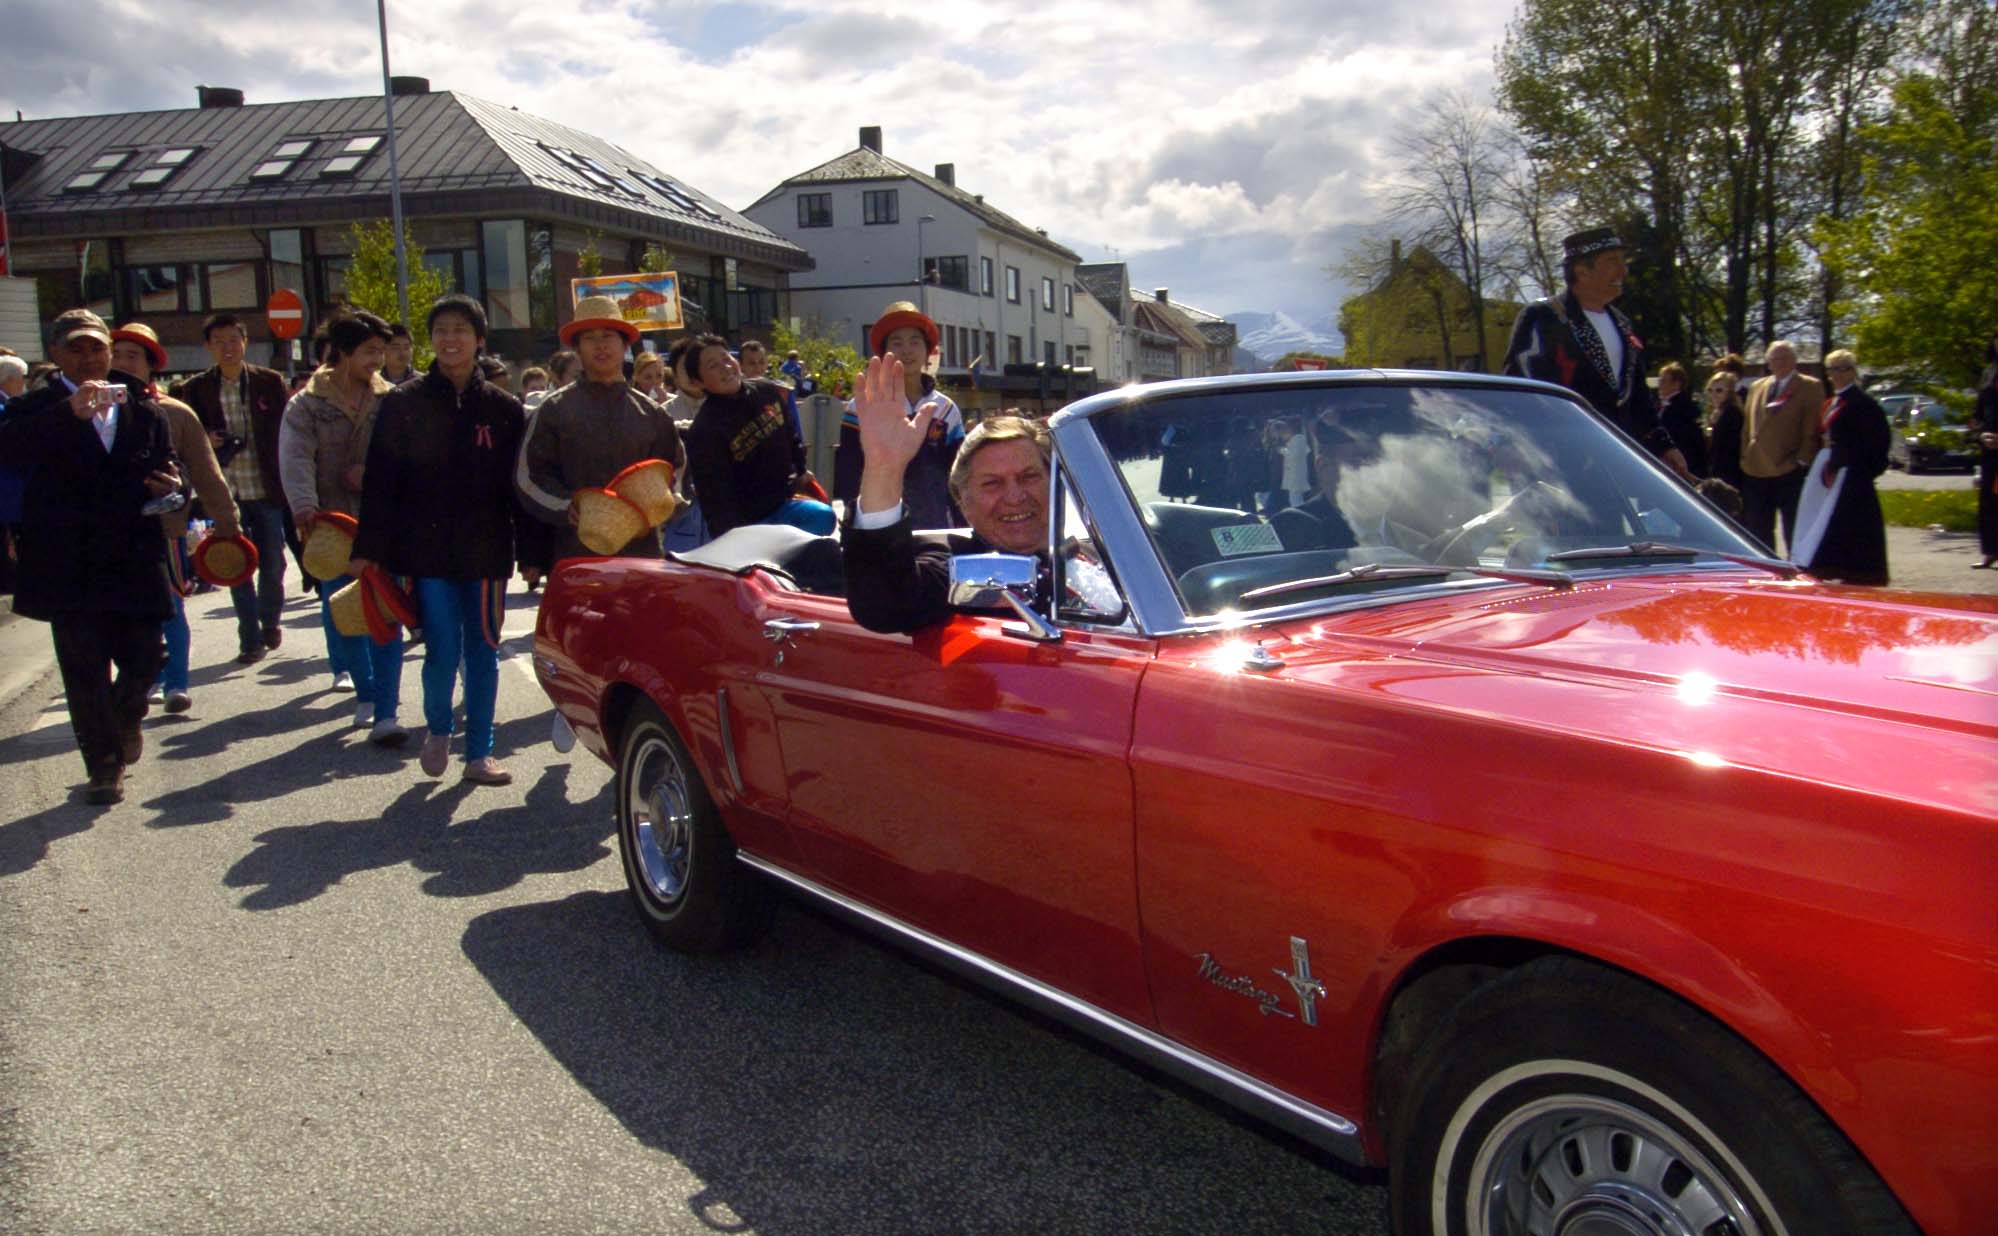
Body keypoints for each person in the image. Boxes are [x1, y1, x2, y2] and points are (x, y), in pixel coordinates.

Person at [0, 309, 182, 803]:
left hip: (132, 556)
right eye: (76, 349)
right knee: (83, 669)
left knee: (147, 656)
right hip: (66, 561)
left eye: (96, 348)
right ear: (55, 354)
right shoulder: (33, 407)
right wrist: (68, 415)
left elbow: (164, 464)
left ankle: (125, 715)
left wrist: (172, 485)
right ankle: (103, 765)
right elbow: (9, 452)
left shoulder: (142, 405)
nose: (88, 358)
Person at [350, 294, 524, 786]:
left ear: (479, 340)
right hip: (426, 551)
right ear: (432, 340)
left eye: (461, 331)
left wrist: (531, 556)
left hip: (487, 549)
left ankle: (480, 753)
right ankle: (439, 731)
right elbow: (381, 482)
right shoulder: (404, 403)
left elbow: (518, 485)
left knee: (485, 649)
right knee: (442, 649)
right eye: (442, 330)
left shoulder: (505, 409)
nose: (451, 340)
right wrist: (369, 550)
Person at [842, 354, 1050, 634]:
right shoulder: (952, 562)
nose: (1015, 496)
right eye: (992, 484)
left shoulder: (1092, 558)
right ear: (962, 500)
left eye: (1029, 477)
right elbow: (886, 604)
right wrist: (884, 468)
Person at [278, 310, 407, 744]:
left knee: (385, 611)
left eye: (381, 351)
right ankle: (366, 694)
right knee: (343, 612)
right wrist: (304, 508)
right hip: (329, 522)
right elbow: (295, 458)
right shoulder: (307, 403)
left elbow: (403, 459)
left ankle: (387, 711)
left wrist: (370, 475)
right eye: (370, 351)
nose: (378, 360)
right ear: (346, 351)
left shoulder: (389, 398)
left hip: (382, 521)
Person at [109, 322, 241, 715]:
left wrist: (228, 524)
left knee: (168, 606)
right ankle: (140, 678)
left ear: (152, 365)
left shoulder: (175, 413)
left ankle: (176, 684)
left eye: (133, 355)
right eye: (115, 354)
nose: (121, 362)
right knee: (118, 614)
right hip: (109, 532)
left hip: (164, 529)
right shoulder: (92, 410)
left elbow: (206, 471)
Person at [1503, 227, 1689, 477]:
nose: (1623, 270)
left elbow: (1638, 398)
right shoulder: (1544, 317)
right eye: (1612, 261)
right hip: (1557, 465)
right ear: (1581, 271)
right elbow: (1521, 391)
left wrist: (1664, 445)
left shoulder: (1622, 324)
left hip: (1614, 459)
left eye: (1622, 261)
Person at [518, 296, 685, 563]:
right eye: (590, 338)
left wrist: (666, 498)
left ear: (624, 344)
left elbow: (675, 465)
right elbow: (529, 476)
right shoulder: (554, 409)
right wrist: (565, 505)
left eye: (608, 335)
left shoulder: (651, 413)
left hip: (641, 555)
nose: (601, 345)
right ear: (578, 348)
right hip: (577, 551)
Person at [169, 313, 292, 663]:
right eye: (218, 341)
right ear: (208, 346)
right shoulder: (196, 389)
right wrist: (206, 439)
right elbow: (185, 439)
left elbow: (286, 431)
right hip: (226, 494)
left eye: (233, 340)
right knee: (235, 566)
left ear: (245, 342)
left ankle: (269, 619)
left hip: (265, 487)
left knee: (273, 564)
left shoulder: (268, 382)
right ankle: (249, 640)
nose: (227, 347)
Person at [684, 334, 833, 536]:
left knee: (824, 516)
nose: (726, 367)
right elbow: (715, 500)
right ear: (697, 382)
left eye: (726, 358)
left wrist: (801, 470)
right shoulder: (704, 431)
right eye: (713, 366)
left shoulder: (767, 391)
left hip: (785, 502)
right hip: (749, 523)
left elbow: (791, 435)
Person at [833, 303, 961, 528]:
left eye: (914, 341)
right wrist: (858, 519)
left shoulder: (945, 408)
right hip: (879, 520)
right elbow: (848, 470)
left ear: (928, 351)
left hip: (935, 523)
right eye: (897, 342)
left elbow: (959, 474)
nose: (906, 350)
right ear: (883, 352)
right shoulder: (863, 406)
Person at [1805, 350, 1891, 585]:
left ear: (1853, 371)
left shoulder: (1864, 404)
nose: (1838, 374)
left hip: (1854, 477)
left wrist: (1861, 471)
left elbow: (1879, 442)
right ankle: (1829, 566)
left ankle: (1859, 572)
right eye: (1833, 369)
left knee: (1855, 526)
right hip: (1830, 472)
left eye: (1844, 368)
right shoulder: (1829, 403)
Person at [1738, 340, 1823, 554]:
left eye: (1785, 357)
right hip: (1756, 468)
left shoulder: (1809, 386)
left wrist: (1802, 459)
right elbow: (1748, 425)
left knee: (1792, 527)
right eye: (1775, 358)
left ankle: (1797, 567)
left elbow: (1811, 426)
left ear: (1794, 360)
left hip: (1789, 467)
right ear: (1768, 362)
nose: (1780, 362)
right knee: (1759, 527)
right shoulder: (1758, 387)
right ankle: (1768, 567)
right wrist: (1745, 455)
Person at [1656, 362, 1708, 479]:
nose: (1659, 385)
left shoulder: (1680, 408)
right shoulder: (1666, 405)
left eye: (1663, 381)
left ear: (1676, 384)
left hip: (1680, 463)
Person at [1974, 334, 1998, 569]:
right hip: (1990, 449)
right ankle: (1990, 551)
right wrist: (1981, 434)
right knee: (1989, 502)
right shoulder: (1988, 374)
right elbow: (1978, 415)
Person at [1704, 370, 1746, 491]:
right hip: (1717, 469)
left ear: (1730, 392)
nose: (1713, 394)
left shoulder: (1732, 413)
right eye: (1710, 390)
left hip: (1729, 473)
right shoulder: (1717, 411)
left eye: (1719, 390)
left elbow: (1728, 446)